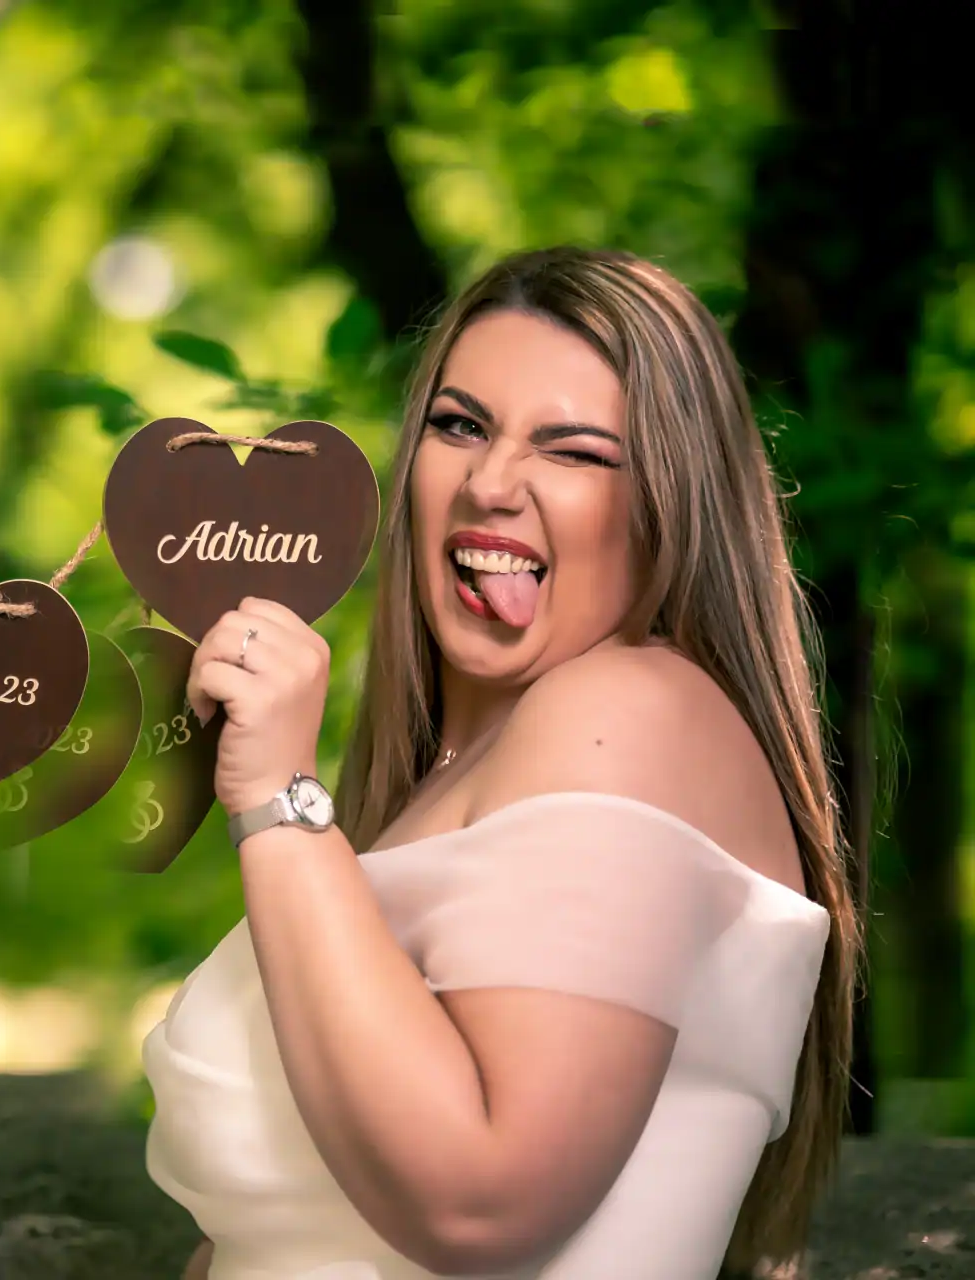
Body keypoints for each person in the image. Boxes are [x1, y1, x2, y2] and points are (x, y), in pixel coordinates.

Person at [142, 246, 859, 1279]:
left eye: (575, 452)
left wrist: (277, 803)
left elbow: (480, 1199)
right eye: (460, 425)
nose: (489, 483)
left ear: (671, 502)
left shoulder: (626, 708)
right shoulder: (447, 782)